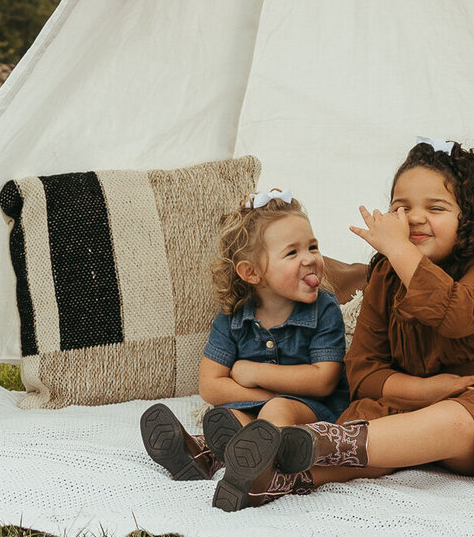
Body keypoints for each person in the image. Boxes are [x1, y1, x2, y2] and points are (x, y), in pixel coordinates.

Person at [212, 140, 474, 510]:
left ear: (469, 216)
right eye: (401, 207)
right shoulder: (388, 275)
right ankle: (269, 477)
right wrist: (427, 389)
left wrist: (400, 249)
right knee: (379, 430)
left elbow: (455, 315)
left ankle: (314, 441)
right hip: (412, 406)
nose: (415, 217)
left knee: (456, 419)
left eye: (435, 207)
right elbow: (365, 371)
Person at [139, 190, 350, 493]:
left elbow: (323, 381)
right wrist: (263, 397)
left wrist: (254, 373)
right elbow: (211, 385)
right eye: (292, 253)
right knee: (228, 418)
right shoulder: (234, 316)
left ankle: (256, 467)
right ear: (252, 273)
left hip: (313, 412)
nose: (310, 259)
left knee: (277, 412)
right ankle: (199, 456)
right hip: (256, 409)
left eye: (312, 247)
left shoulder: (324, 309)